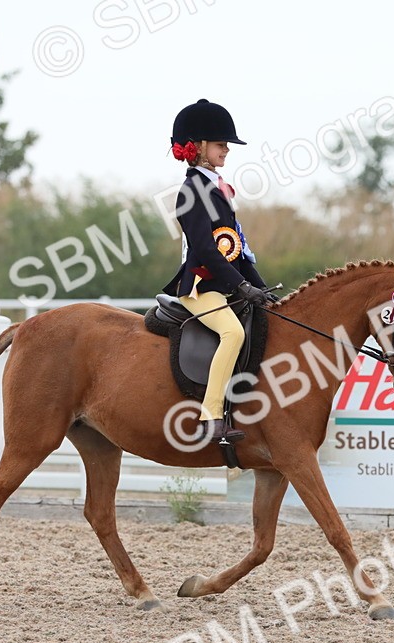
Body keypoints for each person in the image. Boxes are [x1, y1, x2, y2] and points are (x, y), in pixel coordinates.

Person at [162, 99, 276, 444]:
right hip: (200, 287)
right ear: (197, 148)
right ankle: (211, 415)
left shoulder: (218, 188)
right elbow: (207, 251)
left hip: (226, 283)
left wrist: (262, 289)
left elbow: (236, 248)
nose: (227, 150)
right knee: (233, 333)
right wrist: (241, 287)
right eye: (220, 144)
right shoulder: (191, 192)